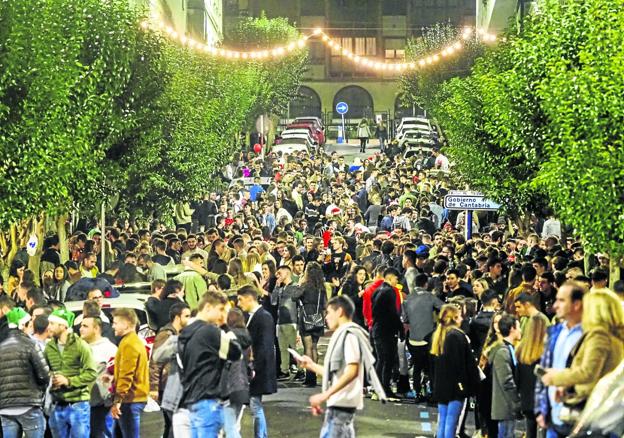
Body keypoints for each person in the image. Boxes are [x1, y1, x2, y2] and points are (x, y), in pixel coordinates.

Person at [297, 295, 386, 438]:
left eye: (329, 312)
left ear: (339, 312)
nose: (326, 317)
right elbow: (338, 373)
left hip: (343, 405)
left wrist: (324, 395)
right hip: (338, 405)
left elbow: (352, 371)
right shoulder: (342, 334)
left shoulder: (349, 336)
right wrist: (311, 365)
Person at [541, 289, 624, 429]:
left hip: (589, 408)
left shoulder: (599, 336)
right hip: (604, 410)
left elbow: (588, 372)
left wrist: (556, 377)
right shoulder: (615, 336)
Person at [178, 291, 242, 436]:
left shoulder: (185, 333)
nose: (221, 315)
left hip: (191, 400)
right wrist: (224, 326)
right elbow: (236, 351)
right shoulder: (209, 331)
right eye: (220, 310)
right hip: (208, 401)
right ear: (207, 307)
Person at [534, 281, 585, 438]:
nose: (555, 306)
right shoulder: (554, 333)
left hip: (579, 419)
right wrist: (540, 408)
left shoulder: (591, 336)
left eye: (561, 300)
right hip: (553, 417)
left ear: (577, 304)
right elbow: (543, 370)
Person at [45, 308, 98, 438]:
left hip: (78, 404)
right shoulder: (49, 347)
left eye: (52, 324)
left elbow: (91, 373)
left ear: (63, 325)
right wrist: (51, 379)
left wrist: (68, 381)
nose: (49, 327)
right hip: (57, 404)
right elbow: (45, 371)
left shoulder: (81, 345)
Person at [0, 307, 50, 438]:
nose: (32, 329)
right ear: (23, 326)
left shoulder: (1, 347)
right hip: (28, 405)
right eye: (30, 325)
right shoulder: (31, 345)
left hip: (5, 408)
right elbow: (44, 375)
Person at [431, 304, 479, 438]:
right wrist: (469, 386)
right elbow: (463, 365)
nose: (462, 319)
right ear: (455, 318)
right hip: (456, 388)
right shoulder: (458, 336)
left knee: (443, 422)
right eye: (459, 316)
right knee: (451, 423)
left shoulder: (439, 336)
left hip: (441, 386)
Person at [237, 285, 277, 438]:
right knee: (255, 406)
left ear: (249, 298)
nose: (239, 304)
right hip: (255, 369)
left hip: (258, 370)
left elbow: (265, 346)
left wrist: (254, 369)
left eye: (241, 300)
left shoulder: (264, 317)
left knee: (255, 406)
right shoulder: (252, 316)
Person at [149, 302, 191, 438]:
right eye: (187, 316)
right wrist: (154, 388)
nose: (189, 319)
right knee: (174, 423)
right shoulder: (166, 334)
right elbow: (156, 362)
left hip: (174, 385)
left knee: (172, 424)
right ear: (177, 317)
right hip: (166, 386)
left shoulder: (180, 333)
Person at [401, 273, 443, 400]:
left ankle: (417, 392)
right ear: (426, 284)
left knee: (417, 367)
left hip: (413, 339)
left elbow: (405, 319)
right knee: (430, 368)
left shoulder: (407, 299)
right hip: (428, 339)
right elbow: (444, 308)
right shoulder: (430, 297)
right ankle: (432, 393)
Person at [111, 308, 150, 438]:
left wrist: (118, 400)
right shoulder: (133, 341)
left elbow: (126, 374)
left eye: (116, 323)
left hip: (130, 399)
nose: (113, 326)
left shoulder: (129, 344)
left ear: (126, 324)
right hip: (133, 398)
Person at [79, 316, 118, 438]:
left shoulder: (109, 349)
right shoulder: (79, 347)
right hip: (82, 404)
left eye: (85, 326)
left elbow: (117, 376)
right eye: (81, 326)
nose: (81, 329)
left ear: (96, 329)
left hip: (101, 406)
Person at [371, 267, 403, 398]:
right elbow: (393, 313)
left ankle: (377, 388)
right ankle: (385, 388)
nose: (397, 281)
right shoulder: (390, 292)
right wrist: (400, 327)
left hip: (377, 328)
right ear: (390, 277)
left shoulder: (377, 291)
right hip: (386, 331)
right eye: (396, 278)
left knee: (381, 359)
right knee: (388, 360)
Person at [490, 314, 522, 438]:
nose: (521, 330)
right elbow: (506, 381)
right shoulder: (502, 352)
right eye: (518, 327)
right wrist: (517, 401)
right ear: (512, 329)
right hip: (505, 406)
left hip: (509, 407)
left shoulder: (509, 349)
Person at [222, 308, 253, 438]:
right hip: (243, 384)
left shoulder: (227, 337)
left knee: (230, 427)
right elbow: (250, 361)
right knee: (235, 424)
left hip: (230, 386)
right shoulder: (247, 336)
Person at [516, 314, 548, 438]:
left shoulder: (521, 351)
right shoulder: (547, 350)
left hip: (527, 399)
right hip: (543, 399)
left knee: (530, 431)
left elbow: (517, 377)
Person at [298, 262, 328, 387]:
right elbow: (325, 305)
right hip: (318, 317)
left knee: (308, 347)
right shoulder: (322, 288)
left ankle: (309, 378)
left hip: (306, 317)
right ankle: (314, 376)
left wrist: (300, 283)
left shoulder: (305, 285)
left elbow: (294, 296)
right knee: (314, 347)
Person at [271, 265, 302, 380]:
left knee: (295, 348)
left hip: (291, 321)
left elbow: (299, 306)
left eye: (280, 273)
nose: (278, 275)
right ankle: (285, 370)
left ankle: (300, 370)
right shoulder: (280, 288)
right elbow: (273, 302)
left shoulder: (295, 287)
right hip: (280, 322)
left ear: (287, 273)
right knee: (282, 348)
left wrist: (298, 325)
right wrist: (277, 286)